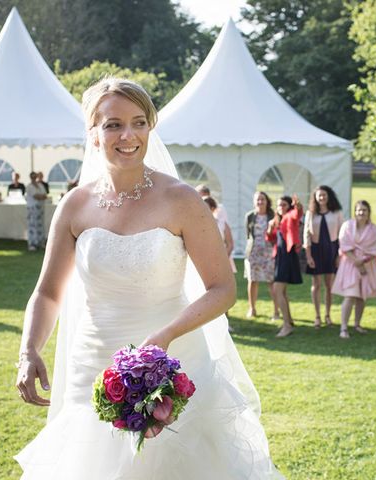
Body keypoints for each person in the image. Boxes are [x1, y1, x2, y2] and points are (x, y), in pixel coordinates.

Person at [14, 78, 282, 479]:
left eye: (139, 122)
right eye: (113, 124)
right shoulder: (75, 205)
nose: (128, 135)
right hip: (93, 368)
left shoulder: (182, 199)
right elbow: (49, 293)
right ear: (92, 133)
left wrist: (166, 336)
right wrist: (29, 350)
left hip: (174, 364)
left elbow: (223, 289)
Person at [332, 201, 376, 339]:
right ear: (355, 212)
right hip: (350, 264)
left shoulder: (374, 230)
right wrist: (355, 261)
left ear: (369, 212)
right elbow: (343, 244)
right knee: (350, 295)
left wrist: (363, 261)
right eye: (359, 210)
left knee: (362, 296)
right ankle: (343, 327)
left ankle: (357, 324)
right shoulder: (347, 226)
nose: (361, 213)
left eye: (364, 210)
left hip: (367, 265)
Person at [304, 185, 344, 328]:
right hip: (315, 250)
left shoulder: (337, 212)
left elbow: (341, 235)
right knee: (316, 284)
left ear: (329, 196)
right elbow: (306, 236)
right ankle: (317, 316)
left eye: (324, 195)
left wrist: (339, 256)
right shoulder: (310, 213)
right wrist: (308, 256)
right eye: (319, 196)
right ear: (315, 197)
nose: (322, 198)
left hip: (331, 249)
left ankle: (328, 315)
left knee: (329, 284)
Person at [266, 195, 303, 337]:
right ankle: (289, 321)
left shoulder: (290, 217)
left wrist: (297, 206)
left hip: (287, 256)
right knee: (282, 292)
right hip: (280, 256)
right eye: (279, 205)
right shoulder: (277, 220)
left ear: (289, 206)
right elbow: (271, 239)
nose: (281, 207)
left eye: (284, 205)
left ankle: (287, 325)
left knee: (277, 290)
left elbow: (297, 214)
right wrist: (270, 230)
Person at [244, 191, 279, 320]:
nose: (260, 202)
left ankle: (276, 311)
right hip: (253, 253)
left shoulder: (273, 215)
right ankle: (252, 308)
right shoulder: (249, 216)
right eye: (257, 200)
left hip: (269, 253)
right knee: (252, 281)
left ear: (267, 201)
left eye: (262, 199)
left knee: (271, 282)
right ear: (254, 202)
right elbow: (248, 235)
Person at [203, 195, 236, 274]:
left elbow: (230, 244)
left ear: (213, 208)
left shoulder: (222, 224)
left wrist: (222, 259)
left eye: (205, 207)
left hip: (220, 261)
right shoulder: (195, 225)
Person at [25, 171, 48, 251]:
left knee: (40, 226)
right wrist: (41, 196)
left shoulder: (40, 185)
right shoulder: (29, 186)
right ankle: (32, 244)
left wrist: (41, 196)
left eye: (35, 176)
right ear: (31, 177)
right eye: (33, 176)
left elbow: (45, 195)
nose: (34, 178)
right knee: (32, 226)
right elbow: (36, 196)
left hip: (40, 209)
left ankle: (41, 243)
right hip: (32, 208)